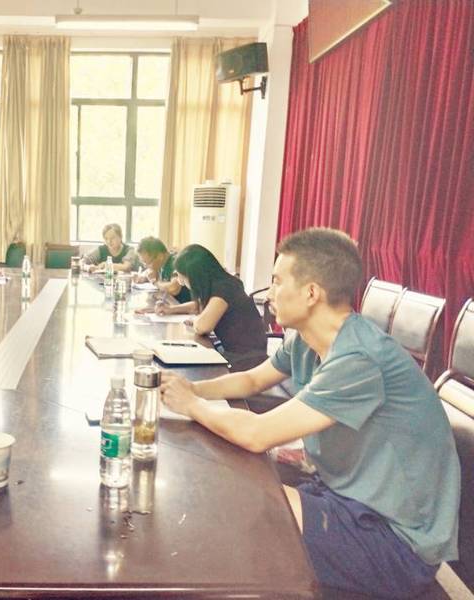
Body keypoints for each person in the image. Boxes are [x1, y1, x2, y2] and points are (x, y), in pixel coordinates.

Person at [160, 228, 460, 598]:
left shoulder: (359, 357)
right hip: (345, 495)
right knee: (236, 496)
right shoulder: (306, 340)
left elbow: (256, 434)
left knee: (242, 513)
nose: (269, 293)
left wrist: (192, 405)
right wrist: (191, 390)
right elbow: (252, 380)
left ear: (311, 293)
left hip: (396, 541)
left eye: (277, 281)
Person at [156, 244, 266, 357]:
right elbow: (197, 306)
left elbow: (203, 327)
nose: (182, 283)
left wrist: (196, 320)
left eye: (182, 278)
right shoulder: (218, 283)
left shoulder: (225, 287)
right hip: (234, 350)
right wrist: (171, 309)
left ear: (195, 276)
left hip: (246, 357)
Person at [133, 236, 190, 305]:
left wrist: (155, 282)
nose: (146, 266)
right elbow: (148, 272)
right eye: (144, 263)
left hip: (184, 306)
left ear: (160, 256)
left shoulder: (176, 262)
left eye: (148, 263)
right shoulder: (159, 264)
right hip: (170, 303)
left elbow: (174, 288)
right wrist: (143, 277)